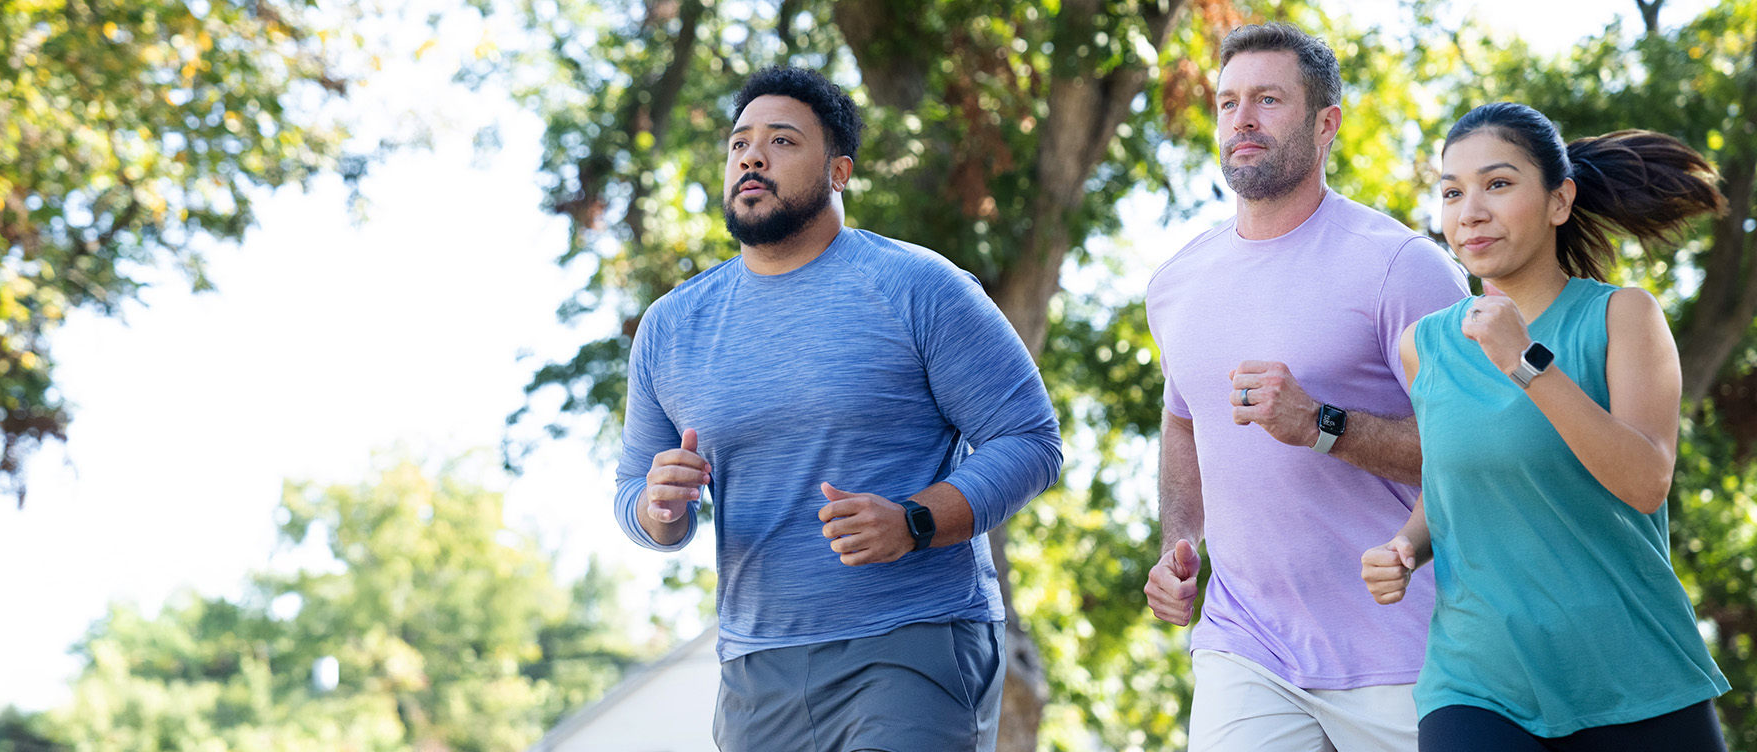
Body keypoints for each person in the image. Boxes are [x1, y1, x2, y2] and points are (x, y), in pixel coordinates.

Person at [612, 65, 1062, 752]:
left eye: (782, 141)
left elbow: (1030, 439)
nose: (753, 157)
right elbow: (633, 496)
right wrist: (658, 508)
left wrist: (914, 521)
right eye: (739, 144)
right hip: (755, 669)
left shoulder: (919, 287)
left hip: (912, 641)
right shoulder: (671, 326)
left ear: (840, 171)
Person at [1360, 101, 1731, 751]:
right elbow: (1451, 483)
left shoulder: (1624, 318)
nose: (1471, 211)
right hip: (1476, 686)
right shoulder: (1423, 345)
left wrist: (1526, 362)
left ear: (1560, 201)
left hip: (1635, 680)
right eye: (1453, 192)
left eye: (1498, 184)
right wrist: (1406, 547)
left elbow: (1646, 481)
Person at [1142, 22, 1469, 751]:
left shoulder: (1402, 268)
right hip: (1245, 644)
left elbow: (1473, 449)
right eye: (1228, 102)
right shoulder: (1176, 283)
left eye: (1268, 99)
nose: (1242, 119)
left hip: (1401, 646)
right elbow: (1184, 421)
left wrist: (1322, 424)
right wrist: (1179, 542)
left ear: (1327, 124)